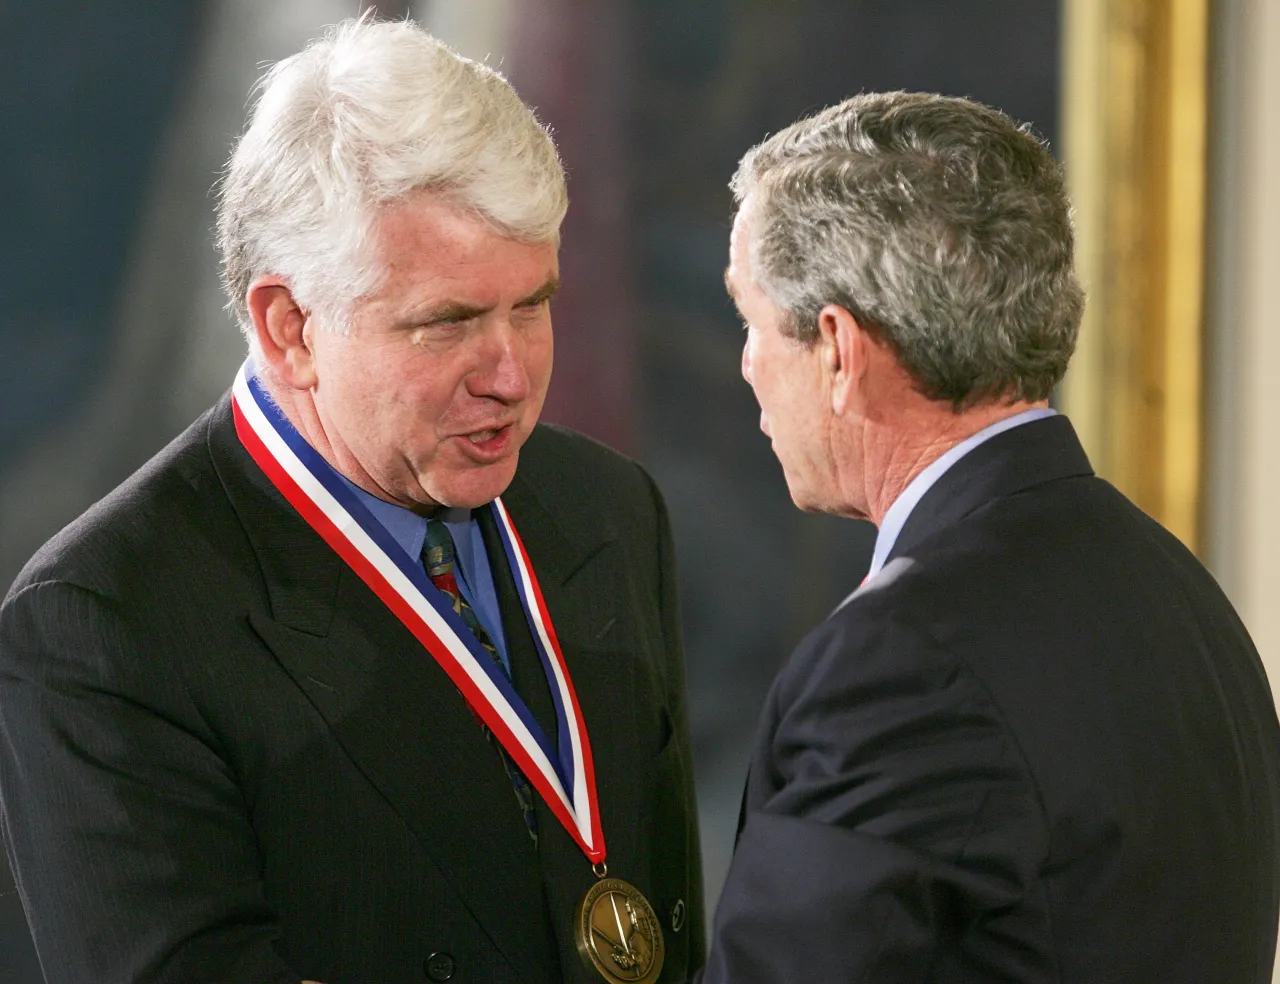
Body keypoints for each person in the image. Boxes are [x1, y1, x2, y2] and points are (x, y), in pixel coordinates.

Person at [0, 19, 703, 984]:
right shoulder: (105, 623)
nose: (512, 374)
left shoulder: (608, 508)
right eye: (447, 323)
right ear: (289, 327)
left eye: (533, 305)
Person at [708, 91, 1280, 983]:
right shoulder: (1179, 591)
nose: (745, 362)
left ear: (838, 350)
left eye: (751, 320)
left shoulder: (900, 663)